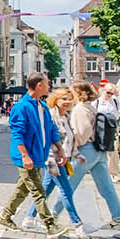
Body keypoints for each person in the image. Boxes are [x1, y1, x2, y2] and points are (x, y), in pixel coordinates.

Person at [0, 73, 67, 237]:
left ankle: (5, 217)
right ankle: (50, 225)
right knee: (38, 191)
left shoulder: (42, 106)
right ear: (38, 85)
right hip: (26, 157)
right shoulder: (21, 107)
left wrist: (60, 149)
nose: (49, 85)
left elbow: (51, 130)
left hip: (38, 155)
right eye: (47, 83)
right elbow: (17, 133)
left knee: (23, 189)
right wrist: (24, 156)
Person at [69, 82, 120, 230]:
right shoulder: (91, 107)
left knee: (67, 185)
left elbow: (82, 132)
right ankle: (118, 219)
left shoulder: (80, 109)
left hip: (86, 149)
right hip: (99, 150)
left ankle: (52, 217)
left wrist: (73, 147)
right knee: (107, 188)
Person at [39, 87, 84, 230]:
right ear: (56, 100)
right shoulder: (52, 116)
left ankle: (29, 217)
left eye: (70, 99)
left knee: (45, 190)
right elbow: (51, 139)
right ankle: (77, 223)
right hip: (53, 160)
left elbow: (70, 139)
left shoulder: (66, 116)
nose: (67, 101)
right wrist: (57, 157)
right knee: (66, 190)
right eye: (64, 98)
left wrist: (76, 155)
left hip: (65, 159)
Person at [98, 81, 120, 177]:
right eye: (108, 92)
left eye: (111, 93)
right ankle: (103, 171)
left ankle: (113, 173)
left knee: (113, 151)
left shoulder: (115, 101)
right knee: (101, 150)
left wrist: (117, 96)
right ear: (103, 91)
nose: (109, 95)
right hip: (100, 128)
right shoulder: (97, 102)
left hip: (112, 128)